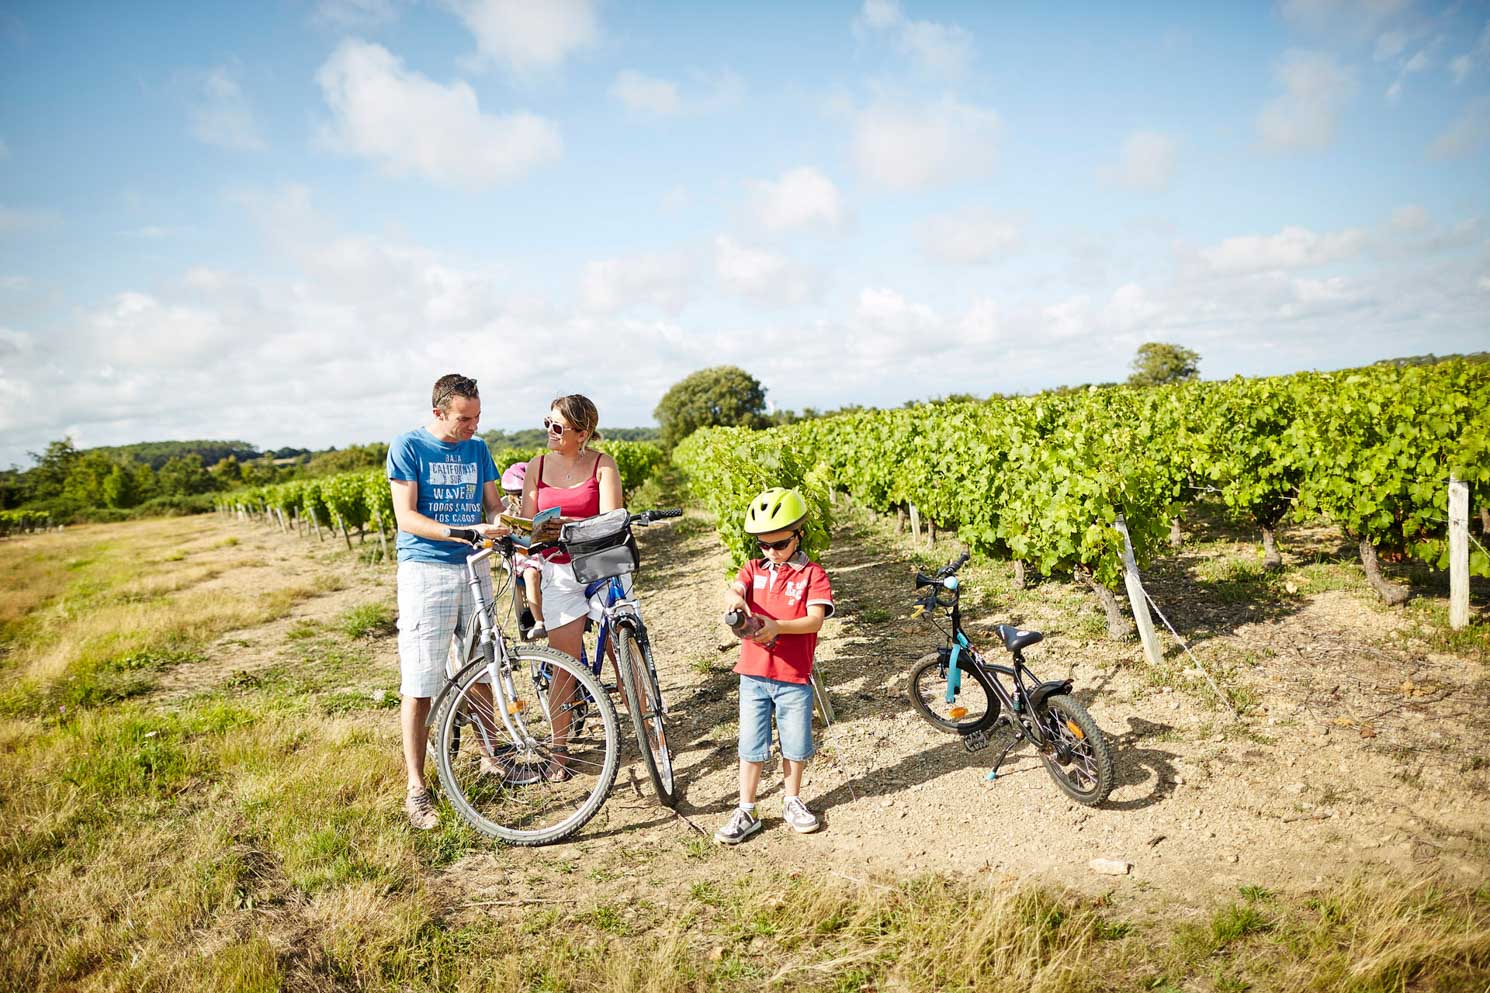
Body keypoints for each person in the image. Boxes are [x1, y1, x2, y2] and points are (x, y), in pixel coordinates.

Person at [387, 373, 506, 830]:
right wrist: (461, 531)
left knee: (482, 666)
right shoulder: (409, 446)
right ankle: (417, 789)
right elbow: (407, 517)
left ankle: (490, 758)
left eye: (477, 416)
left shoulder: (478, 450)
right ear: (439, 412)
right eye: (464, 418)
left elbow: (491, 504)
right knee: (420, 681)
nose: (473, 426)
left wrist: (498, 523)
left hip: (474, 567)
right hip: (426, 570)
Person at [715, 487, 834, 844]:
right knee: (751, 744)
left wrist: (778, 626)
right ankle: (746, 808)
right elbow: (736, 588)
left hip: (793, 676)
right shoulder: (753, 569)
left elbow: (815, 620)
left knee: (795, 744)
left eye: (779, 544)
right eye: (763, 545)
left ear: (799, 534)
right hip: (752, 676)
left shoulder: (813, 575)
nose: (771, 552)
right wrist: (735, 600)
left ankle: (792, 800)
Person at [519, 394, 622, 775]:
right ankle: (559, 749)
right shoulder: (537, 465)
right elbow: (529, 523)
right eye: (546, 422)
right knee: (563, 662)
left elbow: (612, 519)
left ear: (583, 432)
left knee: (620, 650)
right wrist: (534, 529)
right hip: (557, 569)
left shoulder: (602, 464)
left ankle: (648, 728)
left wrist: (570, 527)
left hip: (600, 563)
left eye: (557, 426)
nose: (549, 431)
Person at [501, 461, 546, 640]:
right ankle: (539, 621)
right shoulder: (509, 514)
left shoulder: (541, 507)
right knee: (531, 575)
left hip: (545, 553)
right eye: (519, 496)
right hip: (524, 558)